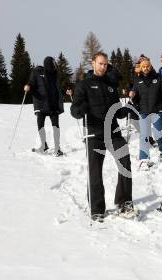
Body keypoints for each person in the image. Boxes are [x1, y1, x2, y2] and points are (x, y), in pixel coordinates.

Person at [70, 51, 133, 222]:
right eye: (100, 64)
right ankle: (97, 209)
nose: (103, 67)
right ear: (93, 63)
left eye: (105, 64)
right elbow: (74, 109)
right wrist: (79, 110)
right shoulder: (84, 85)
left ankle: (124, 201)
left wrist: (126, 109)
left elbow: (117, 110)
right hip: (94, 133)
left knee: (125, 162)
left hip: (113, 132)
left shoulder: (111, 85)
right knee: (95, 171)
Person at [130, 58, 162, 170]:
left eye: (147, 66)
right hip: (144, 112)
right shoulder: (137, 80)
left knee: (158, 133)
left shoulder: (158, 78)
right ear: (141, 68)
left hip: (157, 111)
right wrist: (133, 97)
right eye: (143, 66)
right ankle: (144, 159)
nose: (146, 68)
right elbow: (135, 96)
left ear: (150, 66)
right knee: (144, 135)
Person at [24, 56, 65, 156]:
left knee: (56, 125)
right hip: (41, 103)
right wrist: (28, 86)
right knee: (40, 124)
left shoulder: (55, 74)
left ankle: (57, 148)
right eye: (53, 63)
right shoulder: (38, 72)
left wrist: (67, 89)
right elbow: (32, 83)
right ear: (49, 63)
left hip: (53, 104)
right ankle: (43, 146)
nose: (55, 65)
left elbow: (59, 88)